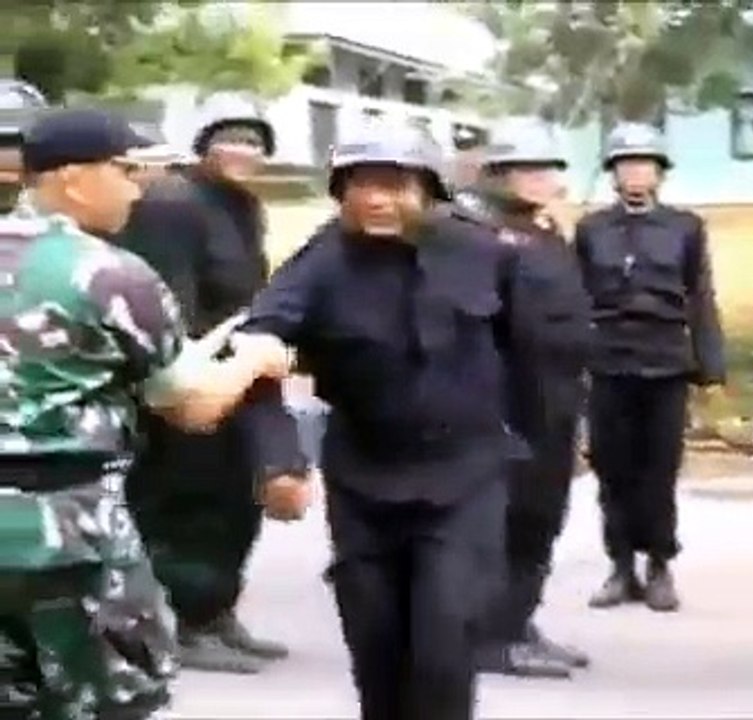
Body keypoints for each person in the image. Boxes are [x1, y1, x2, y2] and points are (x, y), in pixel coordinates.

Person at [236, 121, 588, 720]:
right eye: (361, 186)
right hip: (365, 482)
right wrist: (279, 462)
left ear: (429, 191)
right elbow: (255, 354)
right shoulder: (321, 263)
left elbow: (536, 358)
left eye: (394, 185)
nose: (377, 200)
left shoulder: (486, 253)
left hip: (465, 477)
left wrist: (552, 445)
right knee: (376, 646)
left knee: (446, 638)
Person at [0, 107, 294, 719]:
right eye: (126, 170)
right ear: (74, 178)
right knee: (113, 699)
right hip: (66, 535)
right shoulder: (109, 274)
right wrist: (256, 360)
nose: (138, 189)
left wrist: (202, 350)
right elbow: (191, 405)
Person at [117, 96, 298, 674]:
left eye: (254, 141)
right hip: (190, 376)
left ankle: (217, 612)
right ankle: (183, 622)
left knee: (235, 502)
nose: (242, 151)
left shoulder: (242, 205)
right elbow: (167, 298)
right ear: (200, 145)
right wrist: (187, 375)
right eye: (229, 138)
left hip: (237, 373)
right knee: (188, 503)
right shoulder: (172, 204)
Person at [455, 117, 593, 679]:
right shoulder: (477, 234)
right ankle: (491, 637)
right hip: (507, 405)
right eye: (525, 169)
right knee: (505, 524)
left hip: (556, 400)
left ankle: (518, 621)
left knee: (542, 519)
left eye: (547, 168)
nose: (540, 178)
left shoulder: (547, 232)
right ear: (497, 173)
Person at [576, 122, 726, 612]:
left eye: (645, 164)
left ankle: (659, 564)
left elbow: (700, 294)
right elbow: (576, 297)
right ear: (613, 173)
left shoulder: (685, 227)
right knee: (612, 468)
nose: (636, 173)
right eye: (626, 165)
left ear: (660, 173)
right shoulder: (592, 229)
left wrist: (710, 365)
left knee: (659, 470)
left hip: (665, 364)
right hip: (609, 361)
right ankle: (620, 566)